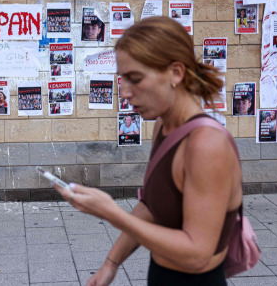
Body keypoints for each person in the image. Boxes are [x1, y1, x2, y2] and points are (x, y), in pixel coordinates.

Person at [52, 16, 242, 286]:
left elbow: (198, 254)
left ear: (176, 73)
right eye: (122, 79)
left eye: (135, 79)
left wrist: (111, 213)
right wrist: (111, 263)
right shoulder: (165, 125)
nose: (125, 92)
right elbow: (152, 205)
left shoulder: (205, 145)